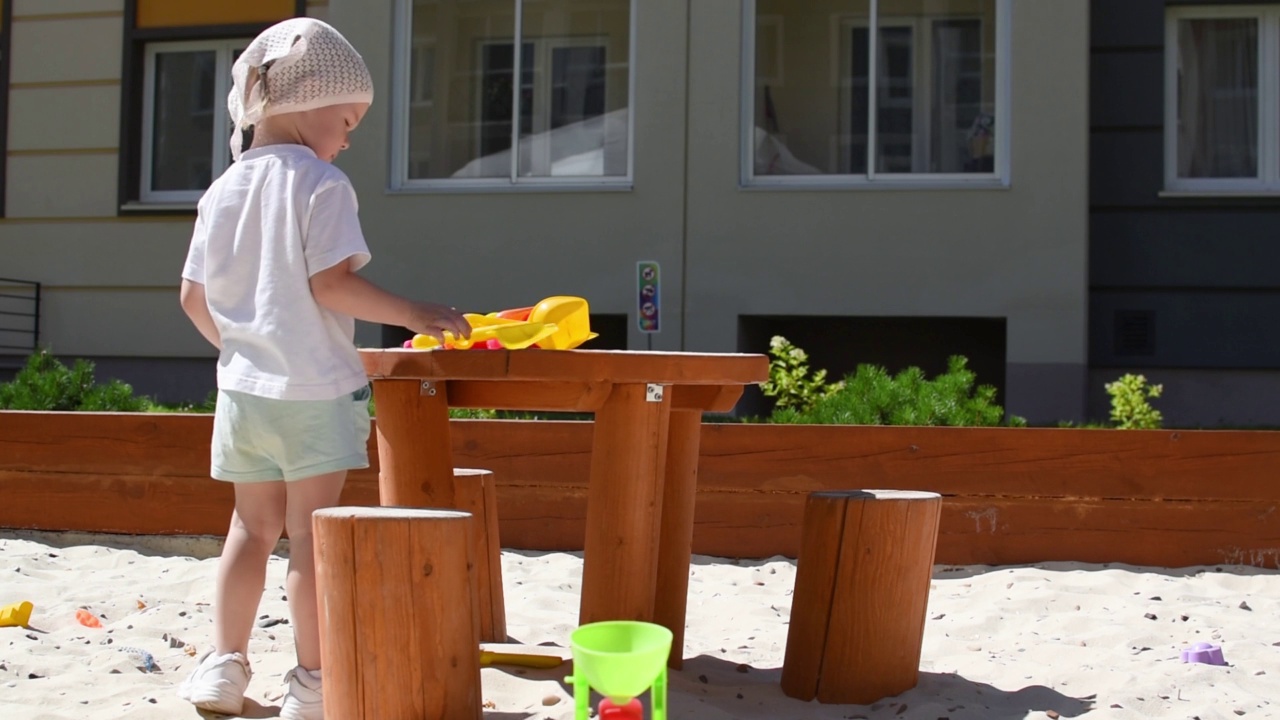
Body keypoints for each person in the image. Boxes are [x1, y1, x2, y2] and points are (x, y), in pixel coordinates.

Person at [175, 17, 469, 720]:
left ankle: (223, 666)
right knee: (310, 537)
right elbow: (331, 285)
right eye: (347, 119)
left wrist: (244, 348)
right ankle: (310, 682)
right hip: (314, 391)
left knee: (250, 529)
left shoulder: (221, 191)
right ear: (307, 103)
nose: (348, 137)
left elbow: (191, 298)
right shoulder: (322, 184)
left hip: (244, 393)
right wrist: (413, 312)